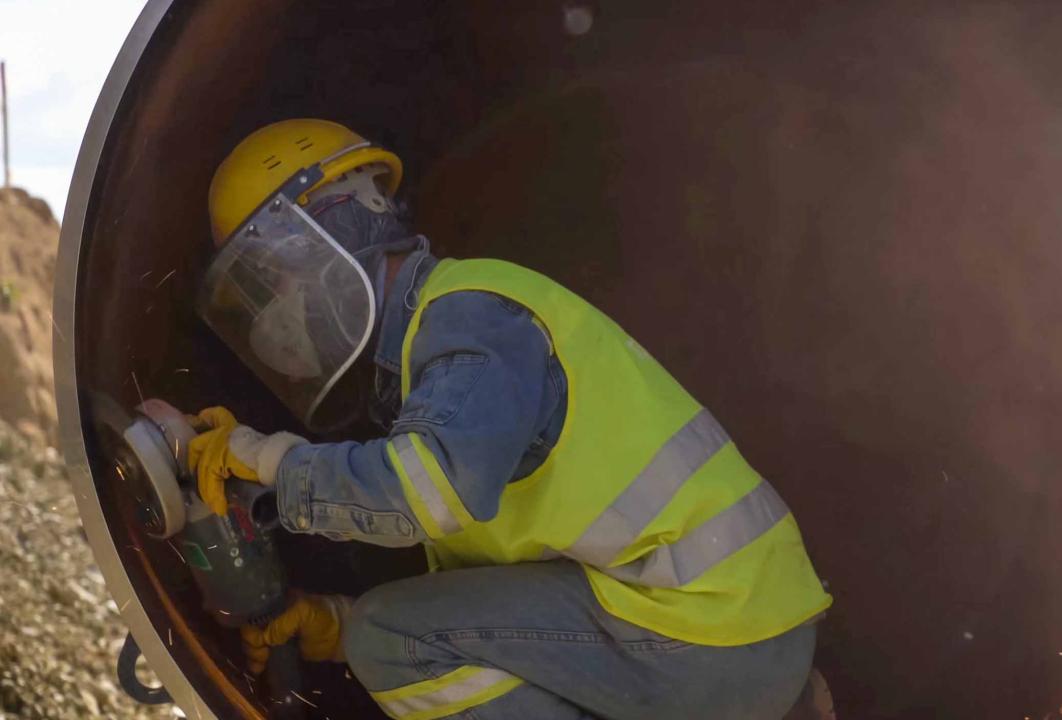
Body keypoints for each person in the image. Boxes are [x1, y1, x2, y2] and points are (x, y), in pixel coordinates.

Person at [188, 118, 832, 720]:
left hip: (713, 636)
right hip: (722, 628)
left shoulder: (469, 314)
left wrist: (266, 462)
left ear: (336, 228)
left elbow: (426, 494)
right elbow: (508, 602)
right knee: (379, 633)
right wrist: (337, 627)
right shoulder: (424, 362)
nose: (272, 320)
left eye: (268, 282)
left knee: (392, 638)